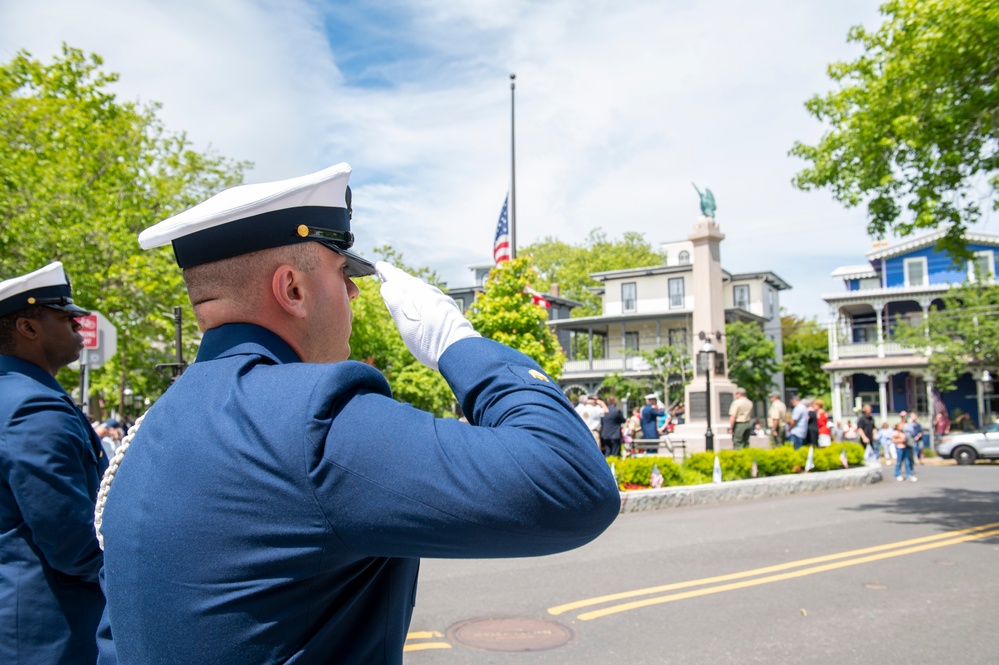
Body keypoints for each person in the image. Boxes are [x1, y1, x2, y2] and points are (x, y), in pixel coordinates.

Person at [94, 163, 621, 664]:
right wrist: (458, 344)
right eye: (343, 272)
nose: (351, 292)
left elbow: (115, 638)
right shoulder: (309, 418)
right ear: (293, 289)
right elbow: (572, 482)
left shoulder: (152, 430)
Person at [0, 262, 108, 664]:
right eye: (67, 319)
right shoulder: (34, 405)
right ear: (28, 328)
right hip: (48, 633)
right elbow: (73, 545)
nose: (80, 328)